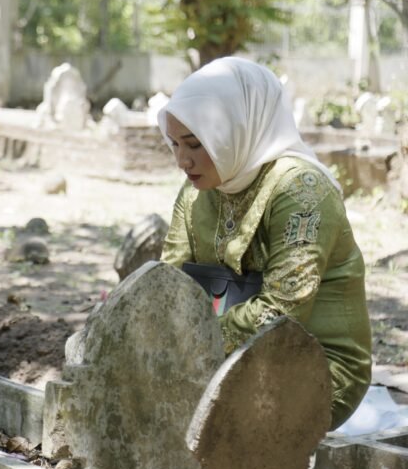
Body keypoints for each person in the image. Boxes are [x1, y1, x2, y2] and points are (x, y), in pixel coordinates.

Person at [158, 57, 371, 430]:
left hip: (314, 364)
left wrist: (185, 343)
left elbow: (281, 313)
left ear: (237, 129)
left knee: (197, 411)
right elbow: (167, 283)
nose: (182, 160)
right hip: (216, 352)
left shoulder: (302, 191)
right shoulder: (197, 191)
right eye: (174, 143)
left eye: (194, 144)